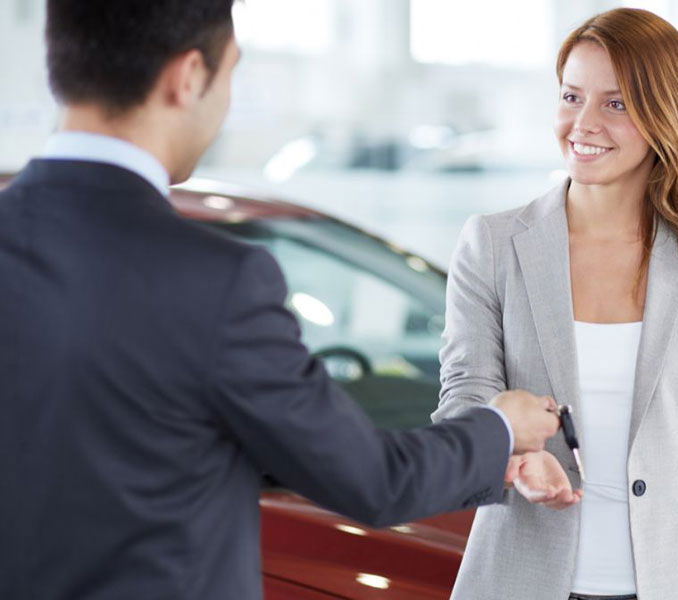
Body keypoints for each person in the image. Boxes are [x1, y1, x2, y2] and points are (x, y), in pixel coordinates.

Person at [0, 2, 562, 599]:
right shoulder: (214, 279)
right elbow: (373, 480)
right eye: (231, 73)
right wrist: (501, 427)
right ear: (188, 76)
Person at [433, 8, 678, 600]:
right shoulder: (492, 244)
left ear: (665, 115)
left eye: (615, 103)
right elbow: (464, 399)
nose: (581, 123)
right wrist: (510, 457)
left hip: (676, 582)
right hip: (519, 578)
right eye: (571, 95)